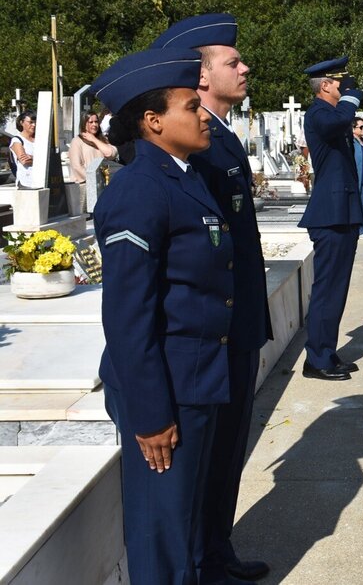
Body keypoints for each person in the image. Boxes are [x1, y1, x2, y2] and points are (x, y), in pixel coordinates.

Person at [92, 47, 227, 585]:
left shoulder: (182, 175)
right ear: (153, 122)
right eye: (191, 106)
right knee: (160, 535)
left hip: (195, 379)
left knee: (183, 528)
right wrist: (149, 414)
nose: (202, 115)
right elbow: (128, 314)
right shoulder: (138, 190)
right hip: (163, 389)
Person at [150, 13, 271, 583]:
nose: (244, 68)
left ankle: (216, 551)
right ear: (201, 78)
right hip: (214, 328)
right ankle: (203, 558)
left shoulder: (220, 137)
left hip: (239, 321)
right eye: (232, 62)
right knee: (208, 457)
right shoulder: (196, 144)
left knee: (228, 454)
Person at [298, 57, 363, 380]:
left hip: (343, 213)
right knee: (326, 288)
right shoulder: (319, 113)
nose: (346, 86)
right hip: (330, 215)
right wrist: (352, 97)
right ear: (325, 85)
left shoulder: (333, 113)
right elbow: (339, 123)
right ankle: (316, 358)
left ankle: (327, 350)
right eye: (340, 82)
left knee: (337, 288)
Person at [68, 111, 118, 211]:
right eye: (90, 122)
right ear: (84, 123)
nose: (94, 125)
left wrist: (94, 140)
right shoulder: (77, 141)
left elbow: (111, 154)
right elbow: (77, 166)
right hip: (86, 188)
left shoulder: (102, 140)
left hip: (103, 187)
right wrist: (94, 181)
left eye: (96, 122)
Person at [9, 111, 35, 188]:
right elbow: (24, 161)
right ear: (21, 123)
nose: (34, 125)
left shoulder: (39, 139)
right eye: (30, 122)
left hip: (41, 180)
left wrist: (32, 158)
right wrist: (40, 159)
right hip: (26, 183)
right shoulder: (17, 140)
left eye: (35, 122)